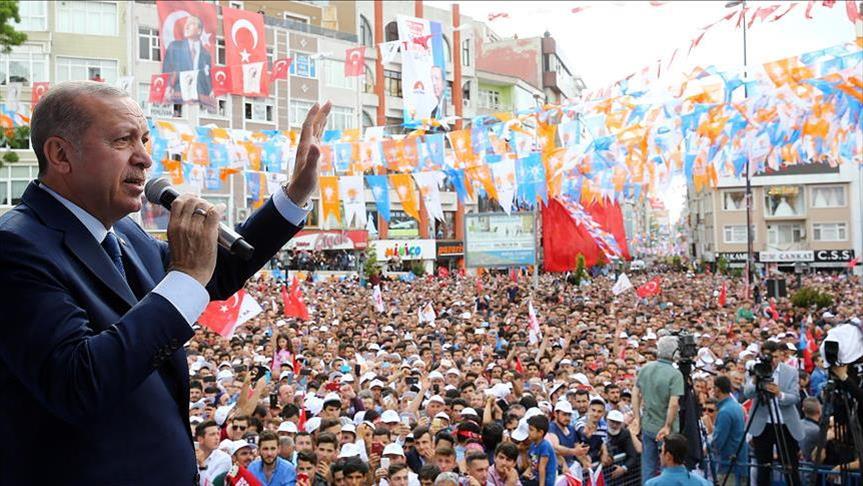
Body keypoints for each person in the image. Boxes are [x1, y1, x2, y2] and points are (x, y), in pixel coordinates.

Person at [0, 80, 331, 484]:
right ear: (61, 154)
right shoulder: (16, 246)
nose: (144, 158)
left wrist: (294, 196)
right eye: (123, 140)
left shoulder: (124, 232)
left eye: (143, 139)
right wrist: (185, 277)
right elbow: (78, 382)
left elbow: (214, 272)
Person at [743, 341, 803, 486]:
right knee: (763, 468)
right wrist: (755, 380)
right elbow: (747, 393)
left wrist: (779, 394)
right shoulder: (756, 369)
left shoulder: (790, 371)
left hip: (785, 424)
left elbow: (795, 397)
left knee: (790, 468)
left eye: (776, 357)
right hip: (763, 424)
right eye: (769, 356)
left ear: (781, 355)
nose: (773, 360)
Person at [632, 335, 685, 484]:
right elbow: (673, 404)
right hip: (666, 430)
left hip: (648, 425)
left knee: (648, 466)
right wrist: (667, 426)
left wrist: (637, 418)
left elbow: (635, 393)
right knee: (667, 467)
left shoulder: (645, 368)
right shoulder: (675, 374)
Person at [162, 15, 213, 100]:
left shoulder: (206, 54)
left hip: (199, 97)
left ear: (199, 31)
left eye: (191, 23)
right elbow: (167, 69)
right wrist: (168, 86)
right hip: (178, 94)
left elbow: (207, 76)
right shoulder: (174, 47)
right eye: (186, 23)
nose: (186, 26)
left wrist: (211, 90)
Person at [709, 376, 748, 486]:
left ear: (717, 389)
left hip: (728, 465)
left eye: (713, 387)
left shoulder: (725, 412)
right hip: (741, 462)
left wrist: (707, 449)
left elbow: (718, 441)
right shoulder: (737, 407)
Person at [644, 434, 711, 486]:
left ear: (668, 456)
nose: (660, 455)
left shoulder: (652, 484)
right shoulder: (703, 483)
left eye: (661, 451)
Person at [604, 410, 638, 481]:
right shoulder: (600, 430)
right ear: (607, 420)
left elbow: (632, 455)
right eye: (612, 421)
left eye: (617, 423)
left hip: (620, 472)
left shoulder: (625, 433)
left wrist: (624, 468)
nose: (614, 425)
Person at [197, 420, 232, 486]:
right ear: (200, 439)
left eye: (218, 434)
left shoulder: (224, 459)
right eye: (212, 434)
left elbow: (211, 485)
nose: (217, 438)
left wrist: (202, 466)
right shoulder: (189, 455)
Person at [526, 415, 557, 486]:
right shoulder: (533, 445)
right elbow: (532, 463)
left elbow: (542, 468)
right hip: (536, 477)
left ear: (540, 432)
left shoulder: (544, 446)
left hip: (546, 481)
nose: (528, 432)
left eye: (531, 430)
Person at [798, 396, 821, 461]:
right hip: (809, 464)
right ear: (819, 410)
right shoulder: (817, 431)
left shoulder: (796, 424)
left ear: (803, 409)